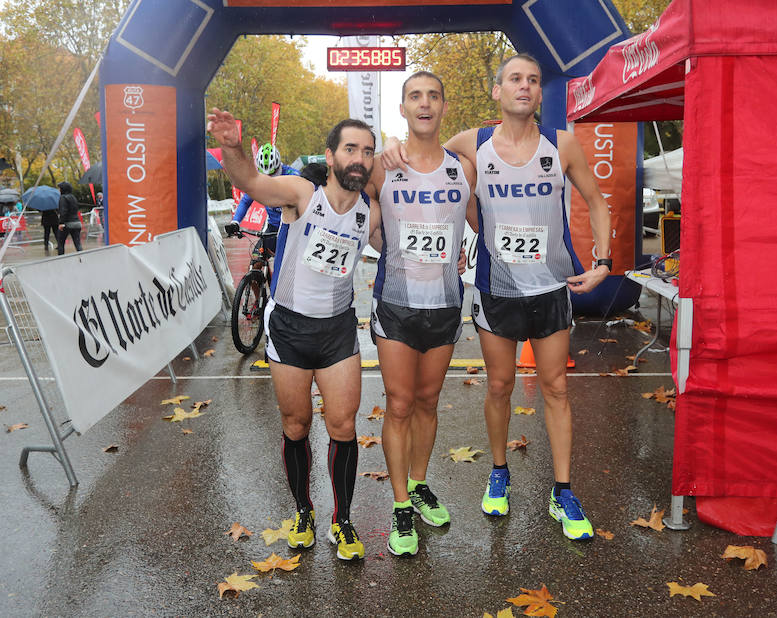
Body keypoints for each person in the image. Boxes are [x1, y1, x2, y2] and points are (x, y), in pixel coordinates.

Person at [382, 53, 612, 541]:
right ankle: (499, 471)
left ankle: (563, 490)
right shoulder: (472, 144)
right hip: (496, 289)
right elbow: (426, 163)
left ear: (539, 92)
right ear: (497, 91)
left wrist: (603, 263)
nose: (523, 87)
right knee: (500, 386)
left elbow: (596, 201)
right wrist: (390, 146)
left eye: (532, 80)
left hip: (551, 288)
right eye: (514, 79)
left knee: (555, 388)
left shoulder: (562, 144)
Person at [208, 109, 381, 561]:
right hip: (288, 327)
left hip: (338, 330)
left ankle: (342, 522)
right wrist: (231, 145)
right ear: (331, 155)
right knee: (297, 424)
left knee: (343, 425)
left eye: (367, 151)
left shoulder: (371, 212)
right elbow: (250, 180)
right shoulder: (303, 195)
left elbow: (414, 235)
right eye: (350, 149)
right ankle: (303, 511)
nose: (359, 158)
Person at [363, 71, 477, 557]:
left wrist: (466, 252)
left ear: (444, 107)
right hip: (395, 304)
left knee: (429, 402)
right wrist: (374, 234)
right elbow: (362, 207)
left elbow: (478, 222)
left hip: (446, 304)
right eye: (415, 96)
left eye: (433, 95)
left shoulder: (464, 169)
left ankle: (421, 482)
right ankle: (399, 504)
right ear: (404, 109)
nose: (425, 103)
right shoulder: (385, 166)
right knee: (400, 402)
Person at [224, 143, 300, 261]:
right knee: (256, 260)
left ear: (279, 166)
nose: (269, 178)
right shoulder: (257, 178)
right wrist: (235, 222)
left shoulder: (293, 175)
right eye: (266, 175)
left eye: (273, 174)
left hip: (294, 227)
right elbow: (245, 201)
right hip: (273, 226)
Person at [56, 182, 83, 254]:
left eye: (59, 188)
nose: (59, 190)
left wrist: (61, 223)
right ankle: (83, 259)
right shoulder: (73, 197)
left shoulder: (63, 197)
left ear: (63, 189)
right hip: (77, 223)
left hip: (67, 223)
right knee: (78, 244)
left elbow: (63, 211)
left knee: (61, 243)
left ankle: (61, 260)